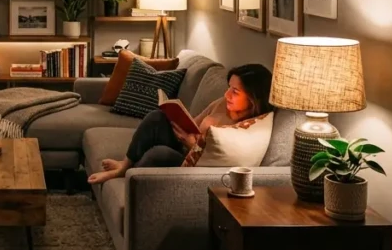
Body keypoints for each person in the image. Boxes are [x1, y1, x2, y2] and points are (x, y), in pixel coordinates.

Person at [88, 63, 274, 185]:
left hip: (194, 165)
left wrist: (190, 144)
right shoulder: (221, 103)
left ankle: (131, 183)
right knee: (156, 117)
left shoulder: (249, 127)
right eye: (228, 88)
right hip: (185, 144)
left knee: (158, 154)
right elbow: (195, 121)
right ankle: (124, 167)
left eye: (235, 91)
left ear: (253, 97)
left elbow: (214, 158)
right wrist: (178, 120)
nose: (227, 95)